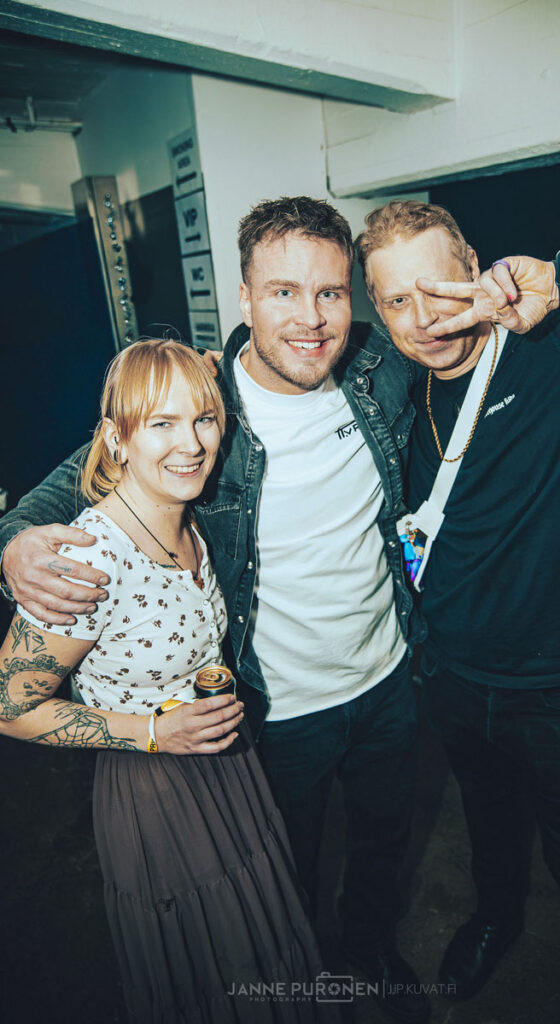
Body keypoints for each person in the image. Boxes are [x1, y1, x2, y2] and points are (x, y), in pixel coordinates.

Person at [0, 199, 428, 1023]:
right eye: (283, 292)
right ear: (244, 299)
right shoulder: (203, 403)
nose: (310, 318)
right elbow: (72, 482)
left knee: (381, 843)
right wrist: (14, 540)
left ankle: (369, 951)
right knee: (279, 881)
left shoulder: (380, 371)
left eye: (331, 293)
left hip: (387, 681)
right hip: (275, 709)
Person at [354, 200, 560, 1023]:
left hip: (557, 685)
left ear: (475, 267)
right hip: (451, 670)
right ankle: (494, 920)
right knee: (487, 822)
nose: (424, 317)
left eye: (438, 288)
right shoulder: (393, 393)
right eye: (396, 300)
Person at [0, 339, 340, 1024]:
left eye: (203, 419)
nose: (191, 444)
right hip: (154, 795)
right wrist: (153, 733)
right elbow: (9, 707)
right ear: (116, 439)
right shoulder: (90, 558)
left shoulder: (189, 521)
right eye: (161, 423)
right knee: (213, 972)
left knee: (261, 940)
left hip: (226, 771)